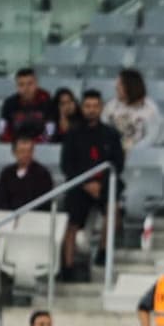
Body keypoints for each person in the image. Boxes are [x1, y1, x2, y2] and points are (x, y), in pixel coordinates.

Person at [59, 90, 125, 281]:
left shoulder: (111, 134)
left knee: (113, 209)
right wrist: (86, 183)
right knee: (71, 224)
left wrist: (100, 184)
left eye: (95, 106)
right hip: (79, 186)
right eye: (88, 106)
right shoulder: (72, 134)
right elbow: (67, 165)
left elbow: (117, 163)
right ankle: (67, 268)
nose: (91, 110)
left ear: (101, 107)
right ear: (82, 108)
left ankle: (103, 253)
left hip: (106, 184)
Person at [101, 68, 164, 153]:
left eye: (120, 84)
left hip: (141, 154)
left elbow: (150, 138)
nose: (116, 87)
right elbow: (103, 131)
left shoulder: (150, 108)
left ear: (131, 86)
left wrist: (132, 151)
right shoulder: (111, 106)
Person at [0, 137, 54, 212]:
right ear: (14, 152)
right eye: (22, 151)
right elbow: (0, 199)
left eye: (29, 151)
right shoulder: (6, 173)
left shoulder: (43, 174)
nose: (26, 154)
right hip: (8, 216)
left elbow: (45, 201)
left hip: (35, 217)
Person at [0, 68, 54, 143]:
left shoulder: (47, 102)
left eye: (30, 83)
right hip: (15, 147)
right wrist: (14, 144)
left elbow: (50, 129)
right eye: (21, 84)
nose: (26, 88)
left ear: (36, 84)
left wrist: (36, 143)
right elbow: (2, 129)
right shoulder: (9, 103)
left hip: (41, 146)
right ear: (17, 86)